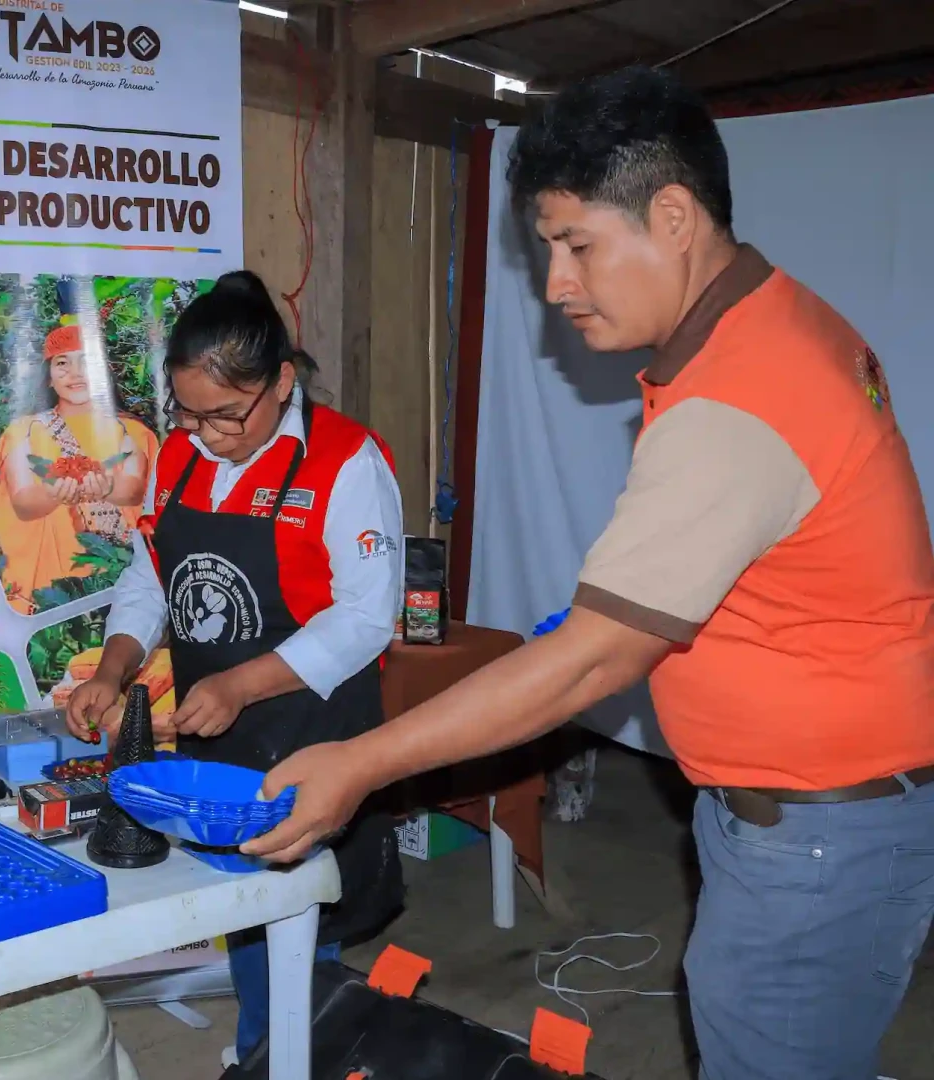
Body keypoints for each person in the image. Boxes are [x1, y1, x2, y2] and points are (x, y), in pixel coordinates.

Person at [244, 66, 934, 1080]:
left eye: (575, 245)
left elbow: (587, 665)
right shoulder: (778, 322)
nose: (556, 282)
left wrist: (357, 765)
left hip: (820, 839)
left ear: (671, 215)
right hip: (815, 818)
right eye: (544, 251)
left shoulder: (737, 399)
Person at [64, 270, 406, 1066]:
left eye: (224, 413)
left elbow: (364, 616)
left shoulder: (345, 459)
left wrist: (242, 684)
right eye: (186, 412)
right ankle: (269, 1050)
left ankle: (285, 1055)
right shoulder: (181, 456)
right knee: (245, 904)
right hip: (216, 735)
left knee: (302, 914)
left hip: (309, 728)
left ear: (281, 381)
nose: (204, 432)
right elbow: (151, 580)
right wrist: (113, 671)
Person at [0, 287, 157, 615]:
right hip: (47, 594)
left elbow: (136, 490)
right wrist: (56, 493)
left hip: (125, 587)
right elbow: (23, 501)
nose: (76, 374)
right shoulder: (23, 431)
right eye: (62, 363)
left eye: (86, 363)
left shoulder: (133, 432)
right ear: (48, 377)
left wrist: (107, 488)